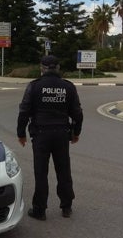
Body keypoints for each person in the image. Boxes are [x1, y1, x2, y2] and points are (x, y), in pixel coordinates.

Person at [17, 55, 83, 221]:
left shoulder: (35, 86)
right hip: (61, 134)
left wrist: (21, 133)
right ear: (58, 68)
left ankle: (40, 210)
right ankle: (66, 207)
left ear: (42, 68)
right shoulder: (68, 87)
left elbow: (24, 111)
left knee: (41, 172)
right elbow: (78, 114)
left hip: (41, 135)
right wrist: (76, 132)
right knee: (63, 170)